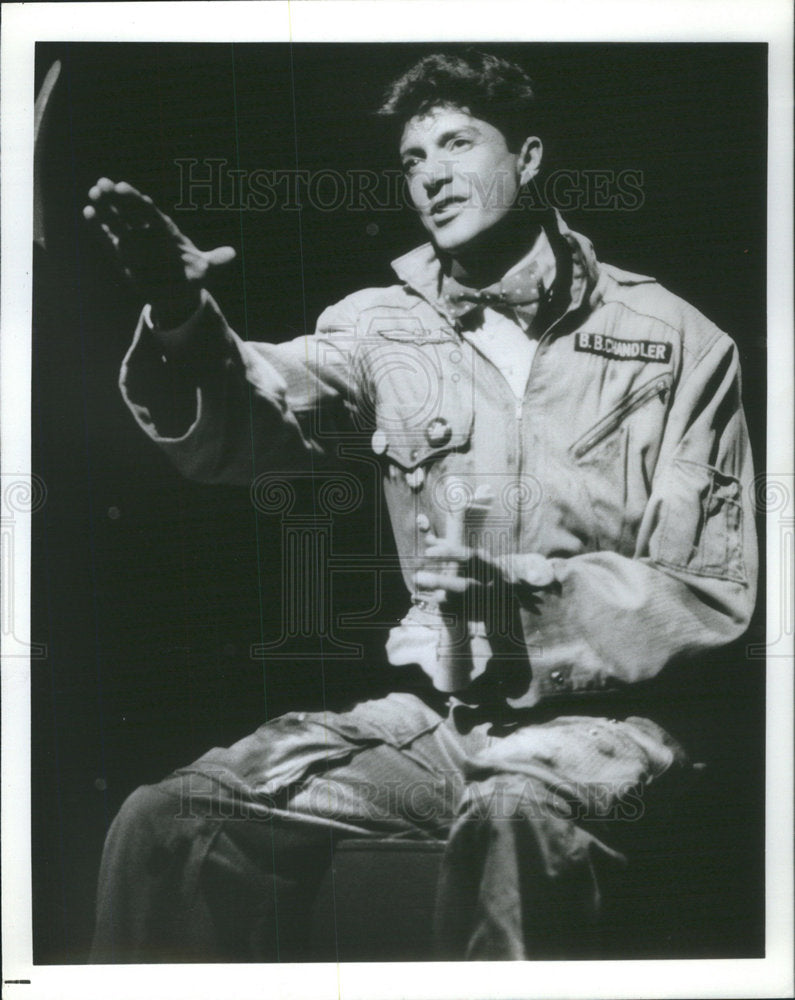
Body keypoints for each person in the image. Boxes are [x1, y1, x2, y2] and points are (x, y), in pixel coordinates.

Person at [84, 50, 757, 962]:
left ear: (525, 158)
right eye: (411, 160)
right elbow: (257, 411)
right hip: (446, 728)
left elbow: (710, 590)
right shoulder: (379, 327)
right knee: (171, 823)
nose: (432, 174)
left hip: (614, 729)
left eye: (456, 142)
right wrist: (181, 314)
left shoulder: (675, 341)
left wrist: (518, 593)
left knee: (514, 816)